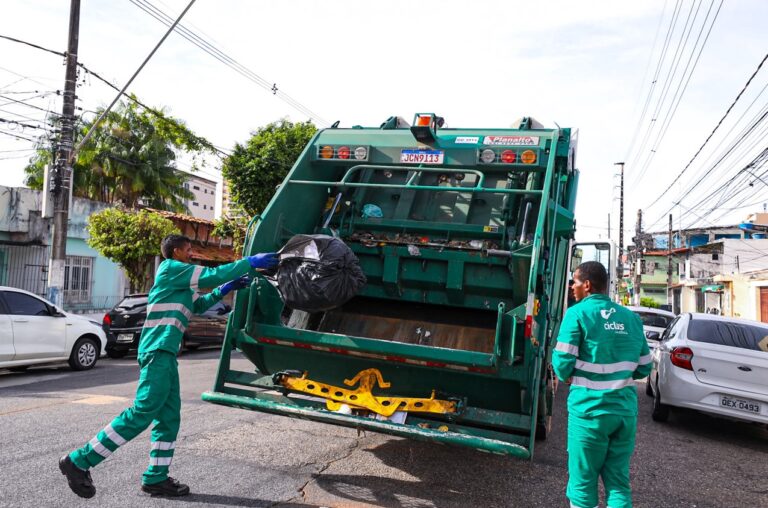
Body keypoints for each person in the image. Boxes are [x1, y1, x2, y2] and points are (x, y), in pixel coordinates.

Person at [59, 234, 278, 498]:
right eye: (188, 250)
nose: (191, 255)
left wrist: (226, 288)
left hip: (166, 353)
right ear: (175, 252)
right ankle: (79, 461)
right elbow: (210, 275)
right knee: (142, 412)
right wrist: (249, 262)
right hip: (157, 351)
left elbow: (197, 304)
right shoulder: (171, 268)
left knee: (169, 417)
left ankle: (156, 478)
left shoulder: (180, 284)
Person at [552, 261, 651, 508]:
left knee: (583, 483)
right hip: (624, 414)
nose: (571, 288)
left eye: (574, 282)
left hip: (589, 412)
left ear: (586, 285)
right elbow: (645, 367)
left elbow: (562, 363)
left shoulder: (577, 314)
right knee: (618, 482)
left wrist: (567, 375)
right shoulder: (631, 318)